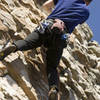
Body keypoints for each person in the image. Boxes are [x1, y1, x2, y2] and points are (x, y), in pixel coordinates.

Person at [0, 0, 92, 99]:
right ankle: (53, 88)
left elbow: (46, 6)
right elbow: (76, 22)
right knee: (52, 66)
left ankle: (14, 47)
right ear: (89, 2)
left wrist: (53, 16)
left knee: (27, 43)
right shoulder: (85, 12)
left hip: (48, 24)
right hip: (62, 35)